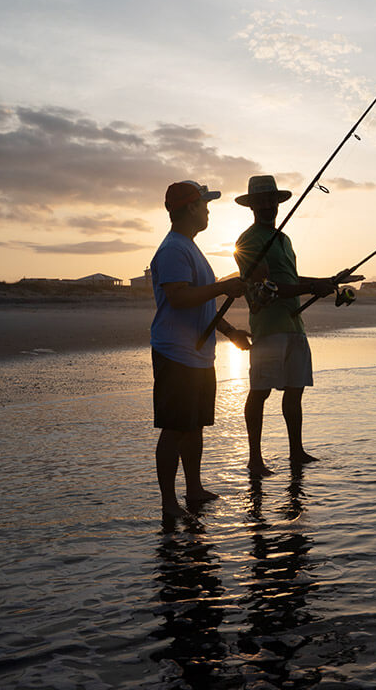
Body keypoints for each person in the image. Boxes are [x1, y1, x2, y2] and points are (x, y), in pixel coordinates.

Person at [234, 175, 362, 475]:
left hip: (294, 323)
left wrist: (328, 282)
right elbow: (267, 283)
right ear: (252, 206)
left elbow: (291, 280)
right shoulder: (248, 241)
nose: (267, 206)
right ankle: (255, 458)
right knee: (260, 392)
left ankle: (296, 452)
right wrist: (311, 287)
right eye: (261, 201)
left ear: (277, 204)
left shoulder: (284, 239)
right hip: (268, 326)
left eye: (271, 201)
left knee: (295, 390)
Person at [151, 180, 251, 518]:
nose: (208, 210)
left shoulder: (190, 248)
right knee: (175, 428)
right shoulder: (173, 250)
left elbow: (203, 305)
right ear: (190, 207)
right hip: (176, 353)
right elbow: (178, 298)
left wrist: (230, 331)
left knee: (194, 427)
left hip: (198, 355)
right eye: (204, 204)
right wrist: (222, 287)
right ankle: (169, 503)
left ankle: (193, 488)